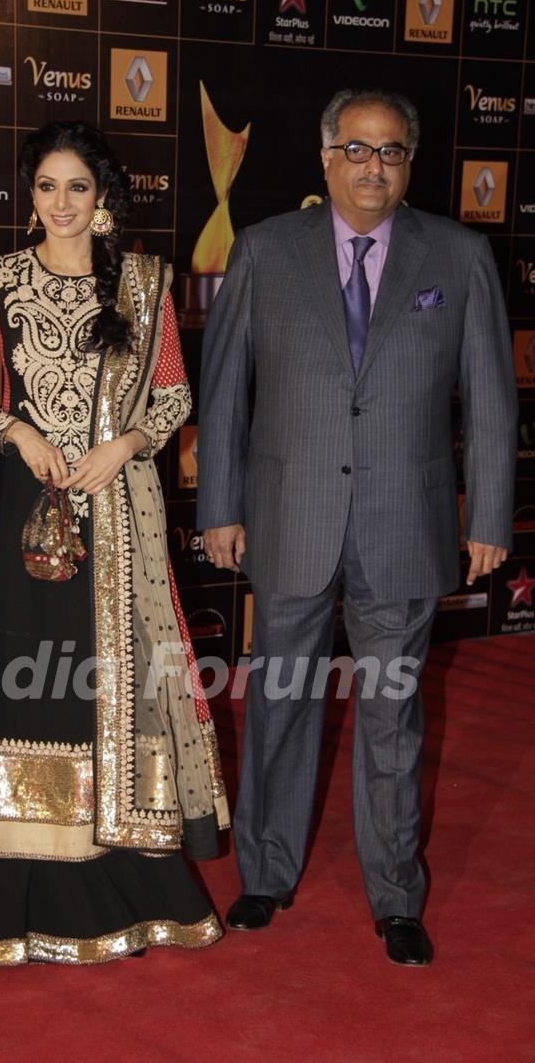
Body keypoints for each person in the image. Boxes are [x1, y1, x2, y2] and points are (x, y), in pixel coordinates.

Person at [197, 88, 517, 966]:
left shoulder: (457, 254)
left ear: (408, 163)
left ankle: (395, 898)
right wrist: (218, 505)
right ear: (326, 158)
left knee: (392, 715)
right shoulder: (264, 252)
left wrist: (487, 513)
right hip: (289, 517)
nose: (374, 167)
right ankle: (263, 877)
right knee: (280, 702)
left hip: (404, 523)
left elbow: (491, 397)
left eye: (391, 152)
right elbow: (224, 393)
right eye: (357, 149)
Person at [0, 121, 229, 966]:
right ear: (29, 196)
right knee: (18, 680)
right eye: (45, 187)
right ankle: (8, 903)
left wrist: (124, 446)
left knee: (107, 683)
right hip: (29, 505)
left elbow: (173, 396)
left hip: (116, 509)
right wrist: (19, 433)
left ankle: (124, 886)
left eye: (76, 187)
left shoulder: (142, 284)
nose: (60, 204)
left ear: (102, 197)